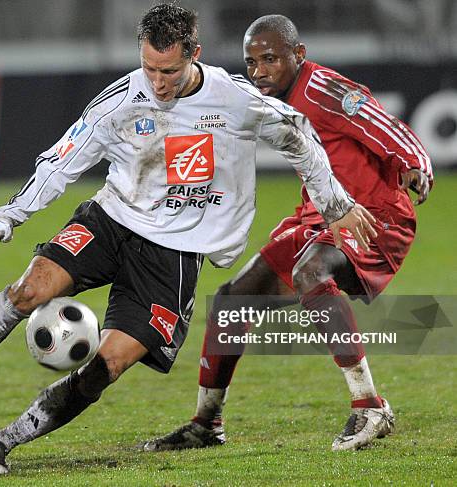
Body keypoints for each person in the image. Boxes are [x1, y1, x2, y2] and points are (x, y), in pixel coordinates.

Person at [0, 6, 376, 475]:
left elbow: (301, 135)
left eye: (169, 72)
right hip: (112, 221)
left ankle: (5, 441)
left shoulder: (236, 101)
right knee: (29, 291)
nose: (157, 83)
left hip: (175, 254)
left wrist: (336, 205)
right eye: (148, 68)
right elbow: (60, 162)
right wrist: (2, 221)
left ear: (194, 54)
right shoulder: (122, 100)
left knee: (108, 364)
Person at [141, 14, 432, 453]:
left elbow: (380, 122)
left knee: (311, 273)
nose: (259, 71)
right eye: (251, 61)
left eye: (270, 59)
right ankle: (206, 424)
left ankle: (370, 406)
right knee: (232, 302)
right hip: (320, 216)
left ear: (299, 54)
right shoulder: (267, 99)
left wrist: (415, 164)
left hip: (375, 214)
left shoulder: (321, 89)